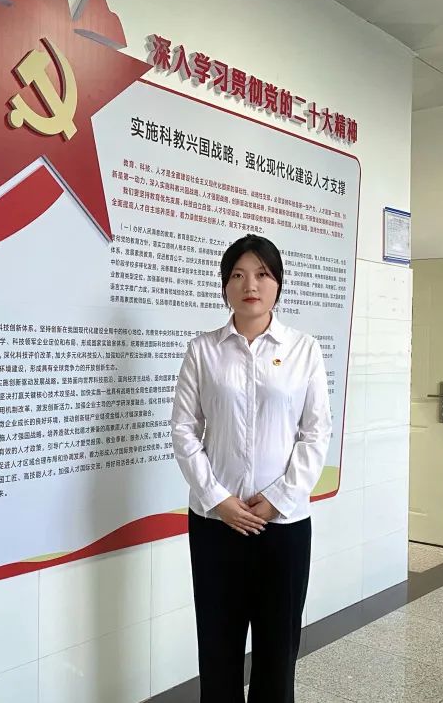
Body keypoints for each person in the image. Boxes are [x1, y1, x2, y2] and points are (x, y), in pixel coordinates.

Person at [170, 233, 332, 703]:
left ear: (278, 283)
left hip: (283, 526)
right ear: (225, 286)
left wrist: (278, 498)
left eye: (262, 274)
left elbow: (316, 433)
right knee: (217, 650)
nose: (250, 285)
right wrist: (218, 499)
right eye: (238, 275)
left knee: (277, 654)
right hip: (216, 525)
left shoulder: (304, 350)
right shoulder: (203, 350)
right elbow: (184, 430)